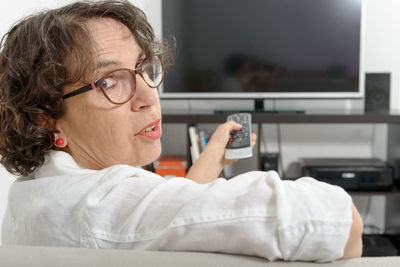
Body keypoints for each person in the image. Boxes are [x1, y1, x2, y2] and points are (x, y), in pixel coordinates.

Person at [0, 0, 363, 262]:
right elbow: (338, 220)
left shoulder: (34, 189)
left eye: (144, 67)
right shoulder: (102, 203)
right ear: (44, 116)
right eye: (109, 80)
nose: (148, 95)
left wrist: (212, 158)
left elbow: (169, 216)